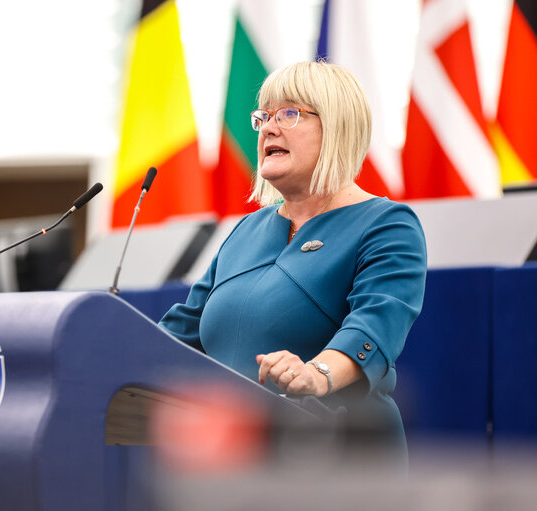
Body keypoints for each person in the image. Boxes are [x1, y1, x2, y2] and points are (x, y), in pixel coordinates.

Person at [158, 61, 427, 459]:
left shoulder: (387, 225)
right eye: (264, 116)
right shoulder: (245, 230)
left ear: (337, 127)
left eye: (289, 113)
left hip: (338, 464)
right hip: (232, 464)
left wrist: (316, 374)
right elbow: (179, 332)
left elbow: (374, 328)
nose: (268, 127)